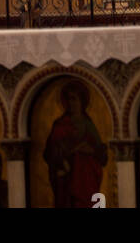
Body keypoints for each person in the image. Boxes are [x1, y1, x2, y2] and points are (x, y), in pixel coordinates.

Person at [44, 80, 108, 208]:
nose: (71, 103)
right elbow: (48, 153)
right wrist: (67, 152)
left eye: (74, 99)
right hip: (65, 178)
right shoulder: (60, 125)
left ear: (82, 101)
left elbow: (102, 155)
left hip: (85, 177)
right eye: (68, 99)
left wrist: (91, 151)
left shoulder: (88, 124)